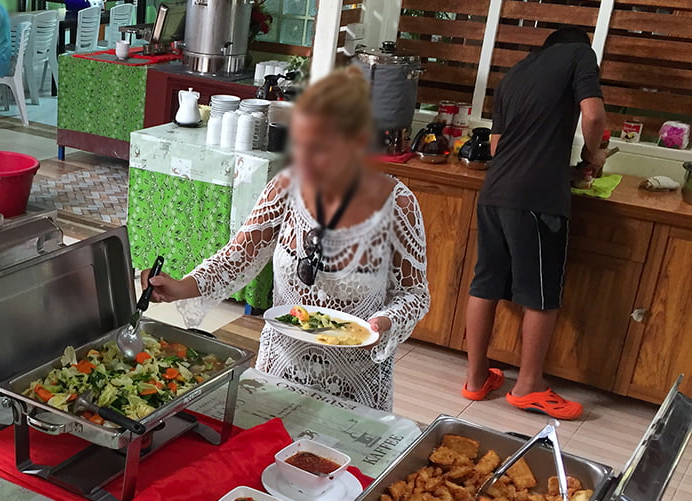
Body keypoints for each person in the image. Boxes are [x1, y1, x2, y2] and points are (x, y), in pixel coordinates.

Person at [145, 69, 431, 411]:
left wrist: (384, 323)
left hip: (357, 383)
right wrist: (180, 286)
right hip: (280, 371)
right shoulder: (286, 187)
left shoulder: (396, 203)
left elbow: (415, 295)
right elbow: (237, 258)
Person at [462, 28, 606, 420]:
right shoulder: (580, 55)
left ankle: (476, 380)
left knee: (485, 282)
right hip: (536, 199)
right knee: (541, 294)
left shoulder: (515, 73)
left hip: (495, 193)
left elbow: (497, 146)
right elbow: (592, 115)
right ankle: (528, 388)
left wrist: (562, 169)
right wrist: (596, 157)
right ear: (579, 45)